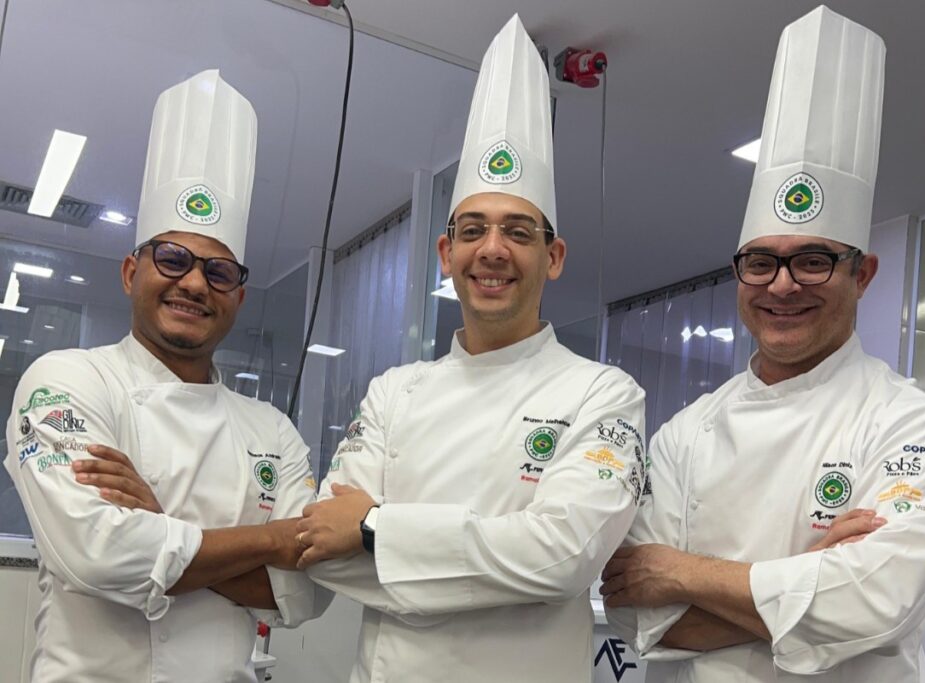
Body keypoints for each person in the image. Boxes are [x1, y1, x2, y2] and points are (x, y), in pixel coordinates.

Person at [601, 7, 925, 682]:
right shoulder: (684, 434)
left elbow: (877, 603)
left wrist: (682, 572)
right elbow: (633, 610)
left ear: (862, 274)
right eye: (761, 262)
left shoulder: (919, 427)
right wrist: (812, 578)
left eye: (813, 260)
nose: (782, 285)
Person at [293, 15, 647, 683]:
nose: (493, 249)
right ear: (445, 252)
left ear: (554, 256)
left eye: (518, 231)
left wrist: (375, 531)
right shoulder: (393, 392)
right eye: (473, 229)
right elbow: (323, 551)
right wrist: (493, 567)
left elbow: (563, 558)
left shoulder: (603, 394)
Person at [4, 70, 327, 683]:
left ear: (238, 296)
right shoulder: (67, 381)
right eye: (173, 259)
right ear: (132, 272)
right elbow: (97, 555)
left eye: (218, 271)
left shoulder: (271, 430)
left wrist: (159, 525)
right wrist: (270, 539)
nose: (195, 283)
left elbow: (309, 594)